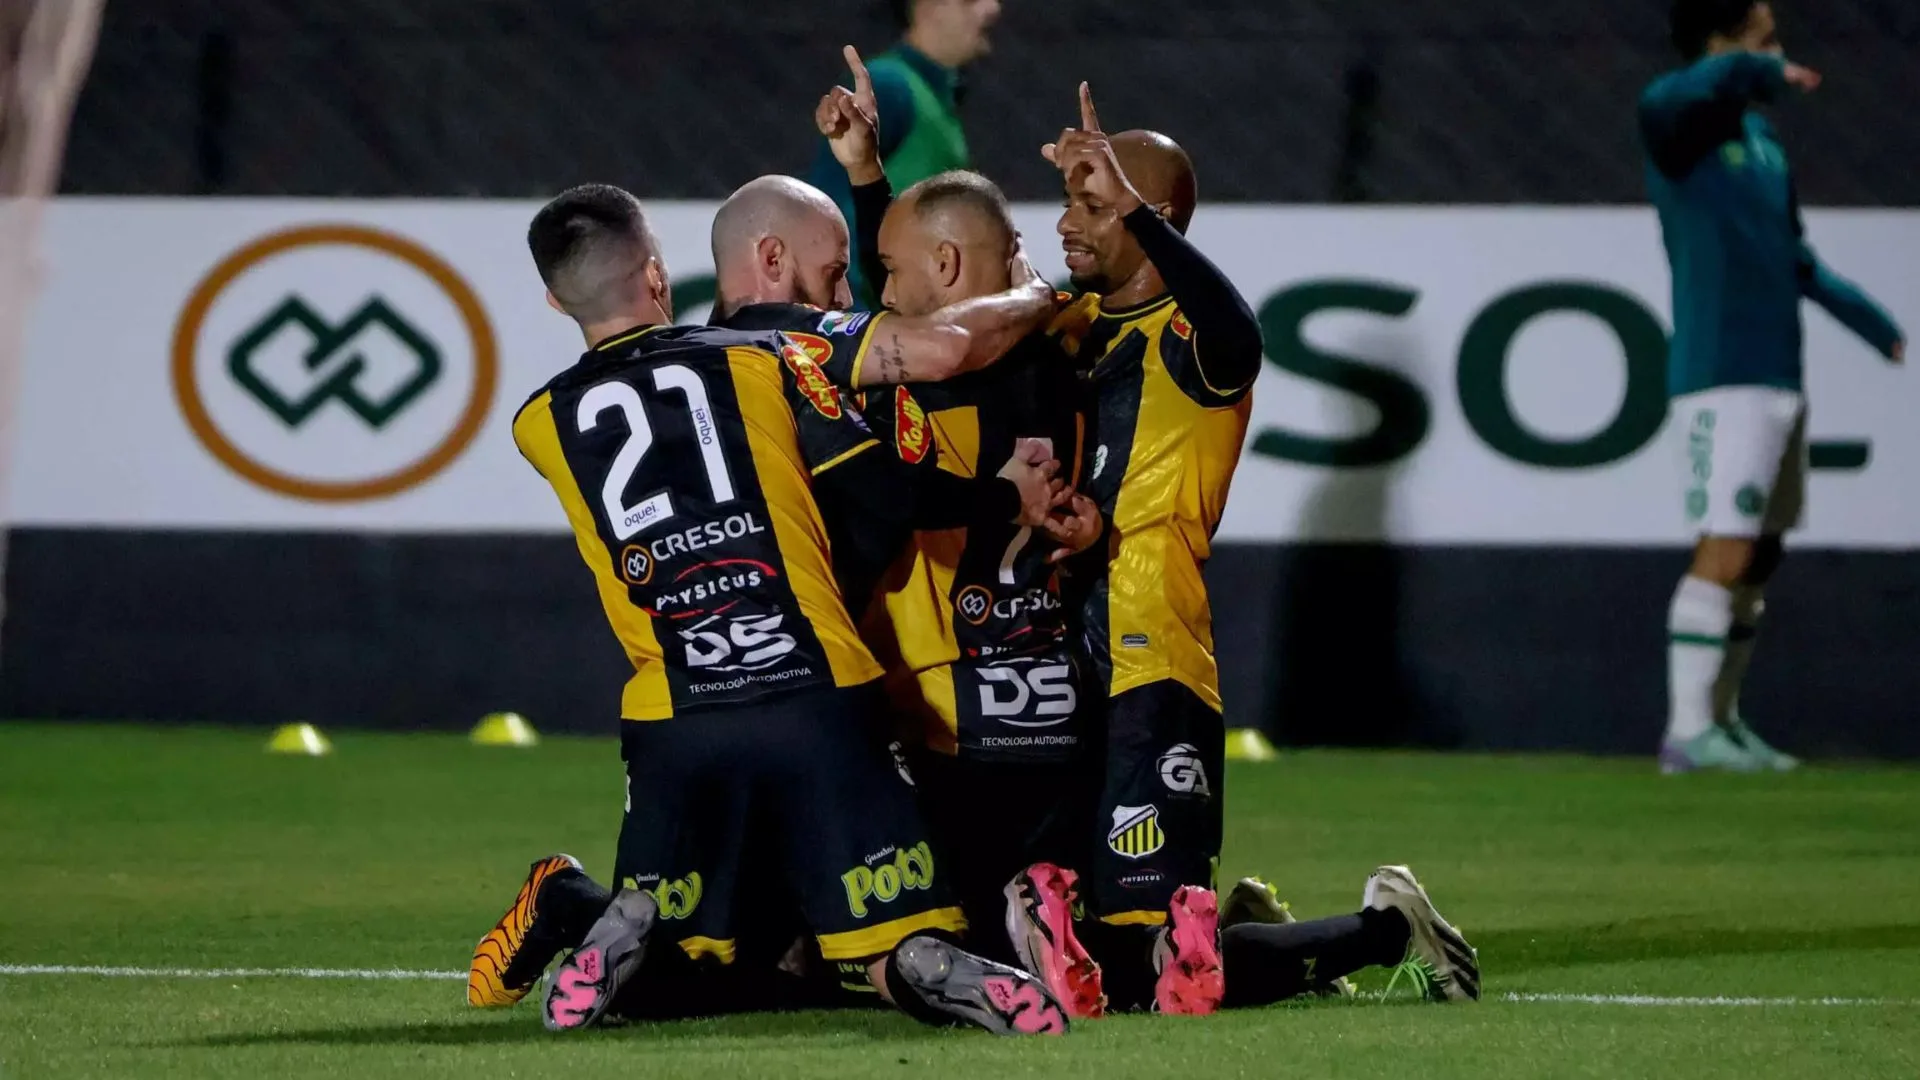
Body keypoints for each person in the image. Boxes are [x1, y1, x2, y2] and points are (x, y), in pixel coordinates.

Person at [493, 182, 1070, 1035]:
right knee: (889, 934)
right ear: (658, 273)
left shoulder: (537, 423)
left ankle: (621, 928)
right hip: (817, 689)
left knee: (695, 966)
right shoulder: (764, 354)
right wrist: (1043, 303)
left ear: (552, 298)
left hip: (674, 715)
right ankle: (908, 960)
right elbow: (916, 396)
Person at [1038, 86, 1479, 1010]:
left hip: (1150, 647)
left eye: (1093, 205)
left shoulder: (1194, 343)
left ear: (1147, 216)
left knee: (1148, 978)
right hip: (1063, 648)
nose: (1066, 221)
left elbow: (1239, 330)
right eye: (1073, 200)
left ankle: (1390, 926)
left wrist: (1138, 220)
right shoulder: (1074, 328)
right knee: (1083, 944)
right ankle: (1240, 924)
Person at [1641, 0, 1904, 773]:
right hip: (1718, 374)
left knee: (1759, 553)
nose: (1775, 52)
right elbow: (1680, 92)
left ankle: (1723, 722)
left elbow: (1795, 258)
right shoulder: (1675, 123)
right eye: (1761, 38)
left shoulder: (1760, 140)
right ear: (1720, 45)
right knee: (1723, 546)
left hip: (1777, 371)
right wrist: (1758, 69)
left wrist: (1871, 320)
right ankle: (1686, 734)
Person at [809, 1, 1002, 306]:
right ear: (927, 6)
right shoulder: (889, 86)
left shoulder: (934, 95)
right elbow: (826, 212)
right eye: (970, 0)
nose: (992, 7)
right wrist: (855, 328)